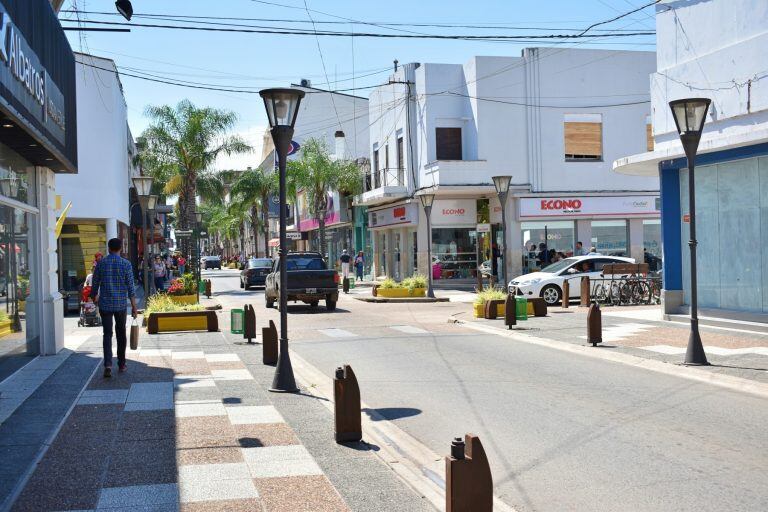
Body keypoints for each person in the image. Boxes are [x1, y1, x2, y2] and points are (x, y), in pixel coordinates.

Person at [90, 238, 137, 378]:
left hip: (105, 304)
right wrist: (134, 307)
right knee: (121, 334)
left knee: (107, 334)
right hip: (121, 305)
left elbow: (95, 284)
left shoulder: (101, 263)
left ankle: (108, 365)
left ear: (109, 248)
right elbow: (131, 287)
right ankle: (121, 363)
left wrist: (94, 297)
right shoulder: (126, 264)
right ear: (120, 248)